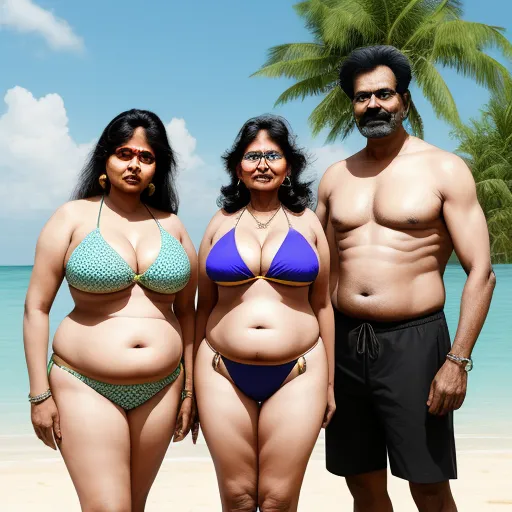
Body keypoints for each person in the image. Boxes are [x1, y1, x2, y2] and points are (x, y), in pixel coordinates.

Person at [316, 46, 496, 512]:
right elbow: (314, 272)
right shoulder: (335, 178)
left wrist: (457, 361)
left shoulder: (444, 169)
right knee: (361, 481)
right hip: (346, 343)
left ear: (405, 101)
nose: (373, 104)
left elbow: (482, 271)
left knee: (429, 485)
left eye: (383, 94)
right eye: (361, 98)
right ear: (352, 106)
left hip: (415, 342)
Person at [23, 109, 198, 511]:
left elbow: (187, 313)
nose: (134, 164)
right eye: (124, 153)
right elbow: (36, 306)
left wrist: (189, 391)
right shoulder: (72, 217)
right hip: (83, 383)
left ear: (158, 167)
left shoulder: (172, 225)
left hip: (163, 387)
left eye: (146, 156)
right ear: (105, 157)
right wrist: (39, 394)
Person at [194, 115, 335, 512]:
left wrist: (330, 384)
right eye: (252, 156)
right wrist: (188, 387)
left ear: (288, 165)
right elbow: (202, 306)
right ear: (237, 166)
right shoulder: (218, 223)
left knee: (278, 499)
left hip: (300, 371)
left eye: (273, 155)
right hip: (220, 370)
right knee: (237, 498)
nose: (262, 164)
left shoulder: (308, 223)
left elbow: (322, 303)